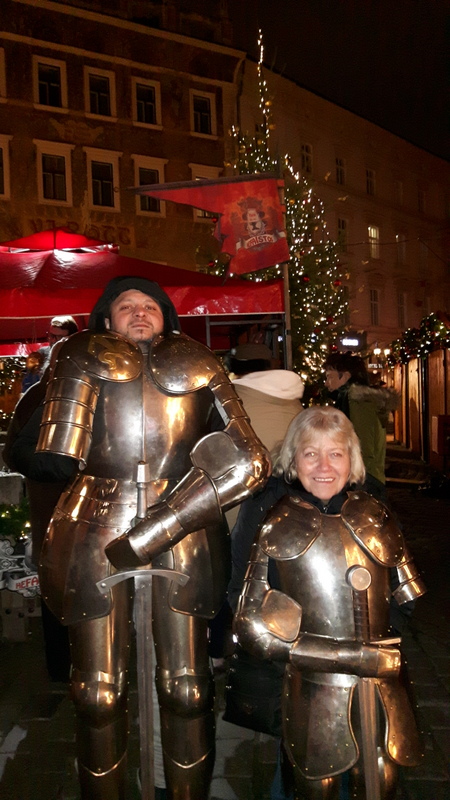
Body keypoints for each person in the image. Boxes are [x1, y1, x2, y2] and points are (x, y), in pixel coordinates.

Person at [6, 276, 270, 800]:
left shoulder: (199, 363)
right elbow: (45, 457)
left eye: (149, 305)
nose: (140, 313)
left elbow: (250, 460)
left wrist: (167, 521)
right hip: (93, 524)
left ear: (166, 317)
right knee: (97, 693)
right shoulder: (80, 358)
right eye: (127, 306)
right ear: (107, 319)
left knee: (188, 689)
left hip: (186, 527)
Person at [230, 406, 425, 800]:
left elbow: (405, 594)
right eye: (311, 453)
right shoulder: (274, 518)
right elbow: (249, 619)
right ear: (293, 460)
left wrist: (380, 644)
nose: (324, 466)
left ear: (352, 460)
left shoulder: (375, 513)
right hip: (306, 685)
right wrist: (345, 656)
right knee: (313, 783)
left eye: (335, 453)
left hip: (380, 686)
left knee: (381, 779)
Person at [324, 351, 399, 502]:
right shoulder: (351, 400)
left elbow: (363, 448)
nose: (326, 383)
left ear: (345, 376)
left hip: (363, 481)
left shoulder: (358, 403)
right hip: (364, 479)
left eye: (329, 377)